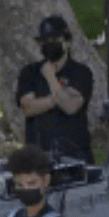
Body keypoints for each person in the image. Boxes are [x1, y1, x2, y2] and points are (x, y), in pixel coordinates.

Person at [16, 14, 95, 162]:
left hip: (75, 154)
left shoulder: (81, 72)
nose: (48, 44)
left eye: (54, 40)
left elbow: (71, 106)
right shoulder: (30, 72)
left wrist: (51, 78)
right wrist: (54, 100)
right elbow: (28, 107)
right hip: (39, 156)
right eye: (44, 41)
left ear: (67, 42)